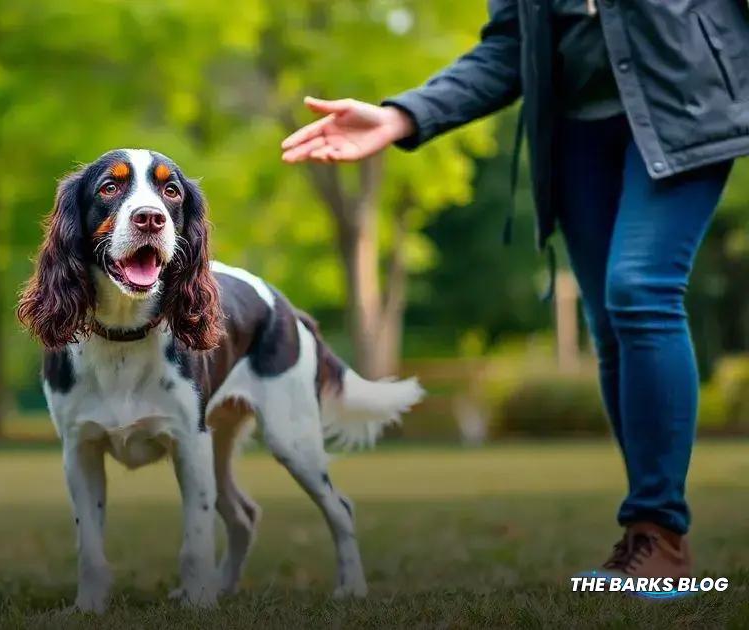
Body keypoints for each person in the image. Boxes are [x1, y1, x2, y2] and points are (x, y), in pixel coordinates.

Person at [281, 0, 749, 580]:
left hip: (690, 105)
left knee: (639, 290)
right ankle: (646, 540)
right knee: (609, 320)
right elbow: (510, 48)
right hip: (579, 133)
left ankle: (660, 530)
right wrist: (402, 116)